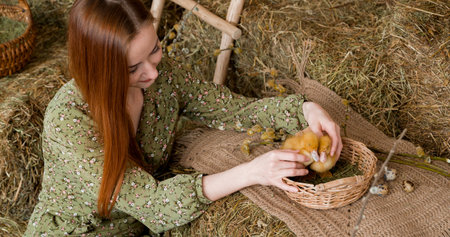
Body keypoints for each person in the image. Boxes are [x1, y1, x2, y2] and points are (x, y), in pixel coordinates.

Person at [25, 0, 342, 235]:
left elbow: (232, 109)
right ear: (100, 69)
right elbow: (154, 205)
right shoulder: (69, 120)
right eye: (133, 68)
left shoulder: (161, 78)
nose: (152, 71)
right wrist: (253, 171)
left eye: (155, 49)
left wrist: (305, 109)